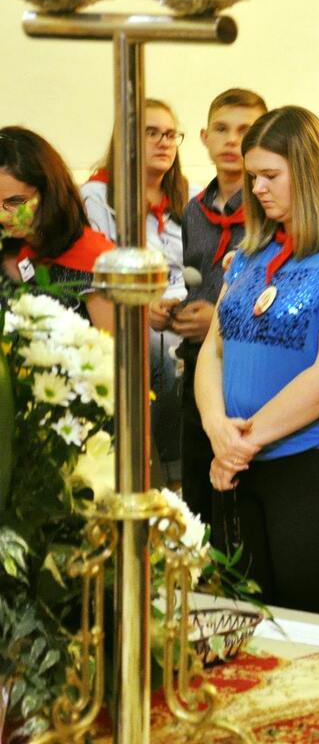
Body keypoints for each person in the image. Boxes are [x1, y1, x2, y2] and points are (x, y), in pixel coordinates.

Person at [196, 105, 319, 617]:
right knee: (246, 613)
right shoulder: (252, 252)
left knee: (315, 619)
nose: (257, 188)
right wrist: (216, 427)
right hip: (242, 459)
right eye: (253, 176)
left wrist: (242, 441)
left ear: (308, 171)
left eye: (270, 176)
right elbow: (213, 350)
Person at [83, 97, 194, 484]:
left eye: (170, 134)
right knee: (163, 351)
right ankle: (160, 470)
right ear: (127, 139)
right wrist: (149, 306)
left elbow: (196, 268)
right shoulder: (98, 197)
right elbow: (102, 269)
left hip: (183, 306)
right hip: (126, 310)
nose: (164, 142)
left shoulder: (190, 196)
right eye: (152, 133)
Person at [176, 87, 268, 522]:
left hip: (249, 365)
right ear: (204, 137)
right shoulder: (193, 211)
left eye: (245, 131)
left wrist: (218, 317)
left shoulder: (269, 208)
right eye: (221, 129)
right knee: (197, 490)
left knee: (242, 491)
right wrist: (175, 311)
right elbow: (194, 277)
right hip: (198, 363)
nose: (232, 141)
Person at [0, 127, 113, 329]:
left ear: (49, 192)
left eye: (15, 202)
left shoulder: (95, 259)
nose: (2, 215)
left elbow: (113, 347)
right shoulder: (6, 250)